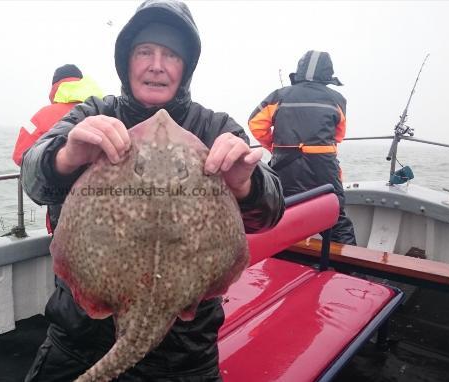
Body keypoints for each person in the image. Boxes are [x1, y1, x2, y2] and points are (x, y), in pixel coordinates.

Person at [21, 0, 285, 380]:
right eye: (145, 51)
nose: (157, 64)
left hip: (181, 354)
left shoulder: (215, 128)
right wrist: (66, 155)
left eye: (171, 54)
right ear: (126, 61)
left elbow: (271, 210)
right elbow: (32, 178)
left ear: (187, 66)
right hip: (78, 339)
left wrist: (246, 184)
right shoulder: (93, 115)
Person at [248, 50, 357, 245]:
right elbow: (339, 134)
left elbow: (256, 123)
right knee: (334, 215)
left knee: (281, 210)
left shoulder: (279, 95)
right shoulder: (337, 99)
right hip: (323, 167)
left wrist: (275, 146)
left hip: (285, 165)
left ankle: (281, 259)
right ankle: (352, 268)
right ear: (327, 74)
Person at [12, 64, 103, 233]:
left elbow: (21, 156)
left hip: (62, 212)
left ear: (54, 87)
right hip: (108, 212)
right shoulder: (107, 111)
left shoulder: (42, 115)